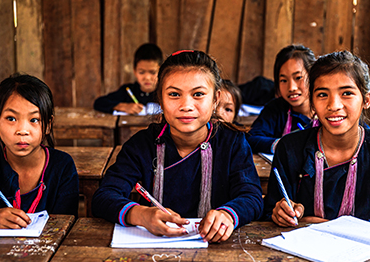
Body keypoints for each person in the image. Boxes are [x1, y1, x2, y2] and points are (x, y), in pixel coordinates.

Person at [92, 50, 263, 243]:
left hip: (217, 252)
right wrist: (140, 214)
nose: (186, 105)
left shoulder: (232, 143)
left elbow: (252, 197)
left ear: (215, 99)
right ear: (160, 99)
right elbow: (104, 196)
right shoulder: (141, 146)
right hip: (151, 253)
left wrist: (228, 215)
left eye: (198, 94)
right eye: (174, 94)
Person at [263, 50, 370, 226]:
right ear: (311, 102)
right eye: (322, 94)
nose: (334, 105)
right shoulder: (290, 149)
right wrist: (280, 214)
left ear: (366, 100)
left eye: (347, 93)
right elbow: (269, 214)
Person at [0, 73, 79, 229]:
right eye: (11, 119)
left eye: (34, 120)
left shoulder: (62, 166)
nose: (22, 130)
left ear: (48, 125)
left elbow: (67, 226)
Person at [247, 45, 316, 154]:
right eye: (283, 80)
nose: (291, 87)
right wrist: (280, 145)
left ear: (313, 77)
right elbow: (252, 138)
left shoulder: (326, 110)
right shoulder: (276, 109)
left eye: (298, 78)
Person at [94, 43, 163, 114]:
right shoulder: (128, 91)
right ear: (135, 71)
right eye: (141, 72)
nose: (147, 77)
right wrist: (123, 106)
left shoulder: (165, 92)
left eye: (153, 72)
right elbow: (99, 103)